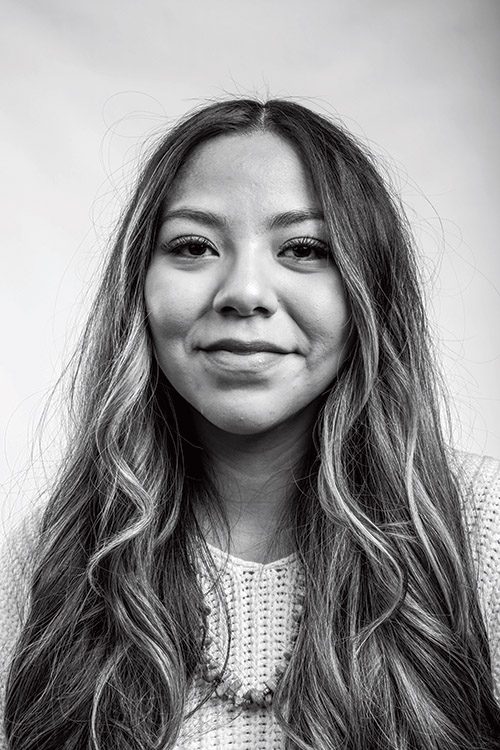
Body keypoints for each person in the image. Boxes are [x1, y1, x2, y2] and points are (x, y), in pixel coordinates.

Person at [1, 98, 499, 750]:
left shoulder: (480, 531)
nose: (245, 292)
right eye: (194, 245)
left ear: (367, 291)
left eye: (302, 248)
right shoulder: (46, 562)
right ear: (137, 289)